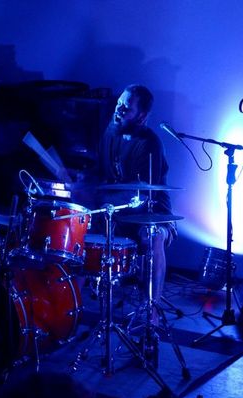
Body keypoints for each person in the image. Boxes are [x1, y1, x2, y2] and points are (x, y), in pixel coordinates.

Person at [95, 84, 177, 324]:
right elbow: (101, 175)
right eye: (119, 103)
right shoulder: (110, 133)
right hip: (118, 213)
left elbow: (143, 194)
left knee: (152, 236)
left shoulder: (150, 143)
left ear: (141, 116)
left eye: (126, 107)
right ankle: (72, 306)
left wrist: (100, 197)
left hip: (153, 213)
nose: (118, 109)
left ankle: (152, 311)